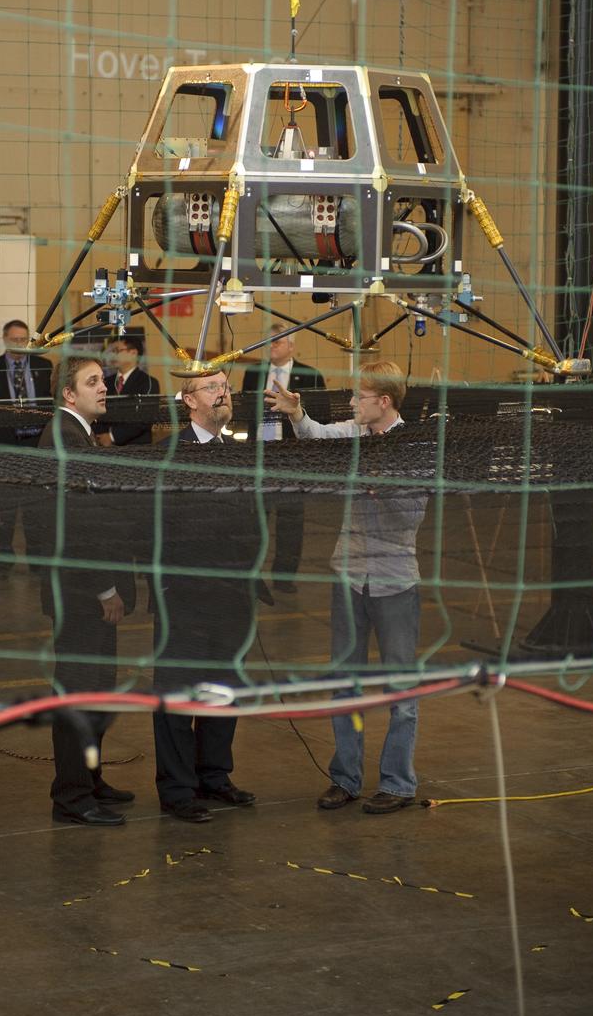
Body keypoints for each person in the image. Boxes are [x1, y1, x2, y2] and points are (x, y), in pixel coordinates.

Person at [266, 361, 427, 815]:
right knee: (344, 684)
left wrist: (380, 486)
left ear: (384, 402)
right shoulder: (356, 434)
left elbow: (412, 516)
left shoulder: (415, 447)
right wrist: (297, 414)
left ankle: (397, 782)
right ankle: (346, 778)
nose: (352, 403)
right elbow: (318, 435)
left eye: (359, 397)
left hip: (395, 582)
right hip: (349, 577)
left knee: (401, 690)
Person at [152, 370, 261, 822]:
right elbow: (156, 527)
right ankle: (178, 789)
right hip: (184, 597)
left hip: (232, 596)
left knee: (224, 691)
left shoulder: (239, 454)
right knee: (178, 697)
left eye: (227, 388)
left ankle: (214, 776)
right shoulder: (164, 456)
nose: (224, 394)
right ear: (189, 400)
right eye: (214, 388)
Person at [37, 356, 134, 826]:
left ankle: (90, 780)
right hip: (80, 593)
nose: (104, 388)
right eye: (92, 382)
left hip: (84, 591)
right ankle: (72, 797)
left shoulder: (76, 434)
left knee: (97, 689)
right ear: (69, 394)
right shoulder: (64, 438)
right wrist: (104, 588)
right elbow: (72, 524)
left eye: (104, 380)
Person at [241, 323, 326, 592]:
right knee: (256, 519)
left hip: (292, 457)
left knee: (290, 520)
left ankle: (284, 576)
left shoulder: (310, 376)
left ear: (291, 346)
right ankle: (252, 575)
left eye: (277, 342)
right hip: (260, 455)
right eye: (268, 342)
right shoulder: (253, 374)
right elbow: (246, 412)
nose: (271, 346)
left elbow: (323, 418)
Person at [0, 320, 52, 575]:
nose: (19, 345)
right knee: (3, 508)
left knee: (35, 508)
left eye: (23, 340)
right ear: (5, 339)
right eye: (15, 339)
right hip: (3, 446)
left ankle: (38, 562)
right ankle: (2, 562)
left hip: (35, 445)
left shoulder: (43, 366)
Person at [93, 333, 161, 447]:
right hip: (101, 447)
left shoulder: (148, 382)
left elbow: (144, 419)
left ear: (133, 353)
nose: (112, 355)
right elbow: (96, 411)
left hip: (136, 448)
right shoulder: (105, 382)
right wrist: (99, 435)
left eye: (117, 351)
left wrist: (111, 437)